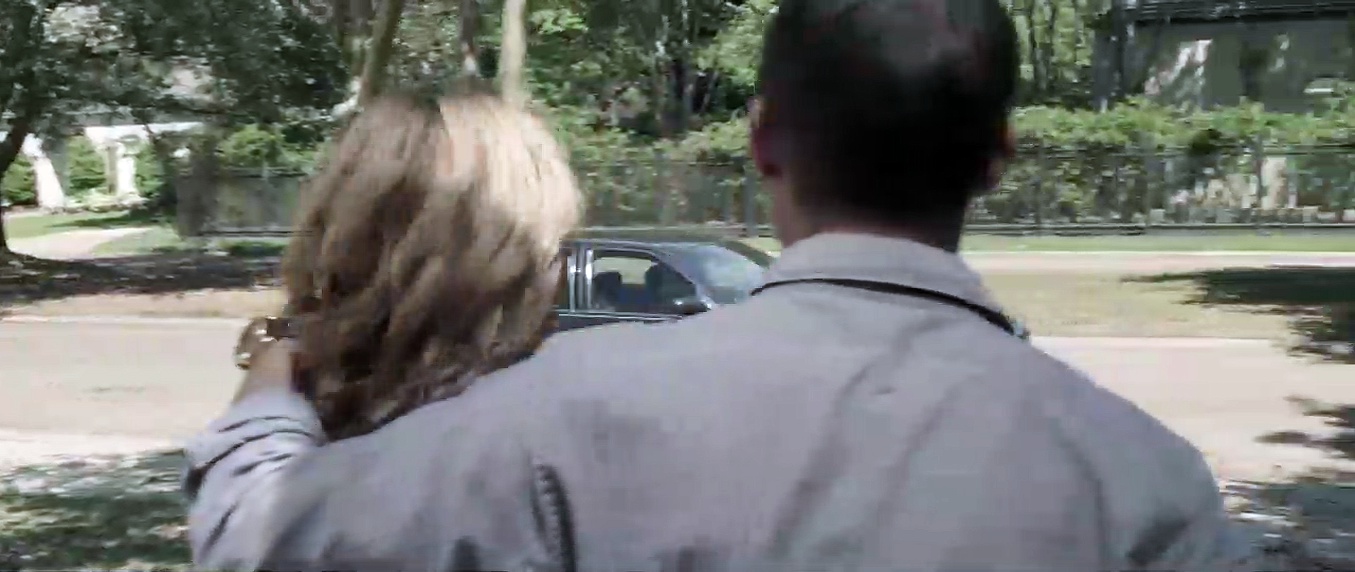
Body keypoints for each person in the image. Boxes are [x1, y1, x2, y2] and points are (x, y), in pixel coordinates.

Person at [185, 1, 1248, 570]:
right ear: (998, 159)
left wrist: (271, 387)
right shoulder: (1146, 481)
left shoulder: (571, 412)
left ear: (762, 140)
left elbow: (263, 540)